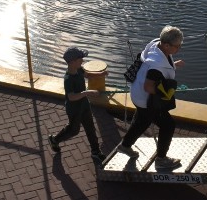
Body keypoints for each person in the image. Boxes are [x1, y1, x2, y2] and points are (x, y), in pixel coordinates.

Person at [116, 25, 185, 170]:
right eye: (177, 46)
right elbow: (148, 86)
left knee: (142, 121)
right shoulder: (156, 65)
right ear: (166, 45)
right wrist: (166, 92)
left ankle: (125, 146)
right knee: (168, 125)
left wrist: (173, 65)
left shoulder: (155, 45)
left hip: (137, 94)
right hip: (146, 99)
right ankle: (161, 160)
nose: (178, 49)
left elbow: (162, 65)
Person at [48, 46, 106, 163]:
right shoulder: (68, 79)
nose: (83, 61)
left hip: (84, 105)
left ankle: (96, 152)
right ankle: (54, 139)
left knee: (90, 128)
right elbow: (71, 97)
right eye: (80, 59)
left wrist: (101, 74)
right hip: (74, 109)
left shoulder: (79, 69)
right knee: (74, 130)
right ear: (72, 62)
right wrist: (87, 92)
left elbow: (88, 75)